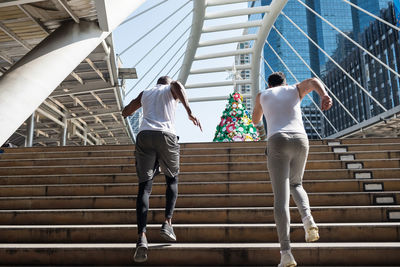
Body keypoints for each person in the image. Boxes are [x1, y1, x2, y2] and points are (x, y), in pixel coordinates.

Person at [252, 72, 332, 267]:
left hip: (277, 141)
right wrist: (324, 96)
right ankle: (308, 219)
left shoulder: (262, 95)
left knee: (281, 200)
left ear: (268, 85)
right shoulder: (295, 89)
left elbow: (255, 120)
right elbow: (313, 81)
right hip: (301, 140)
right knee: (296, 184)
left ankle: (286, 253)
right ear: (284, 82)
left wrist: (262, 126)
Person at [122, 76, 202, 263]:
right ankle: (167, 222)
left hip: (144, 136)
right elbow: (177, 86)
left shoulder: (146, 92)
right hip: (166, 135)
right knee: (172, 179)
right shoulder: (171, 88)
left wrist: (126, 111)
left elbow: (127, 111)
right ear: (168, 84)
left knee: (144, 187)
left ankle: (141, 236)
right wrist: (189, 112)